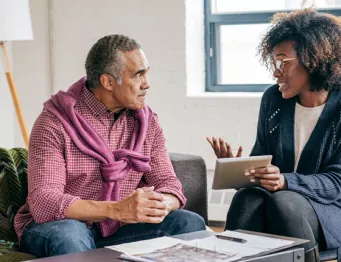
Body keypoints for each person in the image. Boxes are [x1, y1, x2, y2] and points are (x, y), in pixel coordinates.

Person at [14, 34, 206, 258]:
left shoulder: (147, 122)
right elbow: (44, 202)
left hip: (118, 229)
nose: (147, 83)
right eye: (138, 75)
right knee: (70, 234)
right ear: (107, 82)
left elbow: (169, 184)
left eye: (147, 73)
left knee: (188, 223)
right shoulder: (54, 123)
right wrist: (116, 210)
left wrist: (161, 203)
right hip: (58, 226)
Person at [207, 9, 341, 262]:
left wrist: (284, 181)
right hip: (283, 197)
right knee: (247, 198)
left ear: (313, 59)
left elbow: (337, 183)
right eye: (274, 62)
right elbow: (265, 164)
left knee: (285, 202)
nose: (276, 72)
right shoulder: (273, 100)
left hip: (334, 208)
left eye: (283, 62)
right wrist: (240, 170)